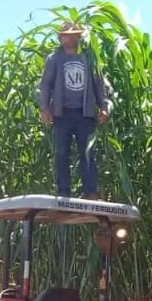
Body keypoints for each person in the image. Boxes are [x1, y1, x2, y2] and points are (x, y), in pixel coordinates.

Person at [38, 21, 109, 199]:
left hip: (85, 113)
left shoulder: (89, 57)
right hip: (62, 114)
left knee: (87, 153)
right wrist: (44, 108)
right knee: (61, 153)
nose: (66, 38)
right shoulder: (54, 59)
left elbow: (99, 84)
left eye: (71, 35)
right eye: (64, 35)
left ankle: (90, 191)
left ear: (78, 36)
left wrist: (104, 107)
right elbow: (46, 84)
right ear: (60, 37)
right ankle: (63, 192)